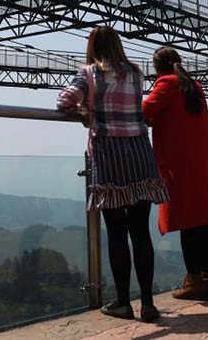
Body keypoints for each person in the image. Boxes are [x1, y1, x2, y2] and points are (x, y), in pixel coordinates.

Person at [57, 25, 168, 322]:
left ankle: (122, 302)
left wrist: (85, 113)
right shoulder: (135, 73)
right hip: (140, 152)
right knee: (140, 231)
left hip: (110, 154)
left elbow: (63, 101)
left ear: (93, 46)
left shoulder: (89, 72)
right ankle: (147, 304)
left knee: (117, 232)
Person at [143, 47, 208, 301]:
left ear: (156, 67)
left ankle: (194, 281)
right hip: (203, 162)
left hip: (179, 164)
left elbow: (145, 112)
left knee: (188, 222)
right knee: (204, 220)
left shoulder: (166, 85)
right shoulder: (194, 85)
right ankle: (205, 277)